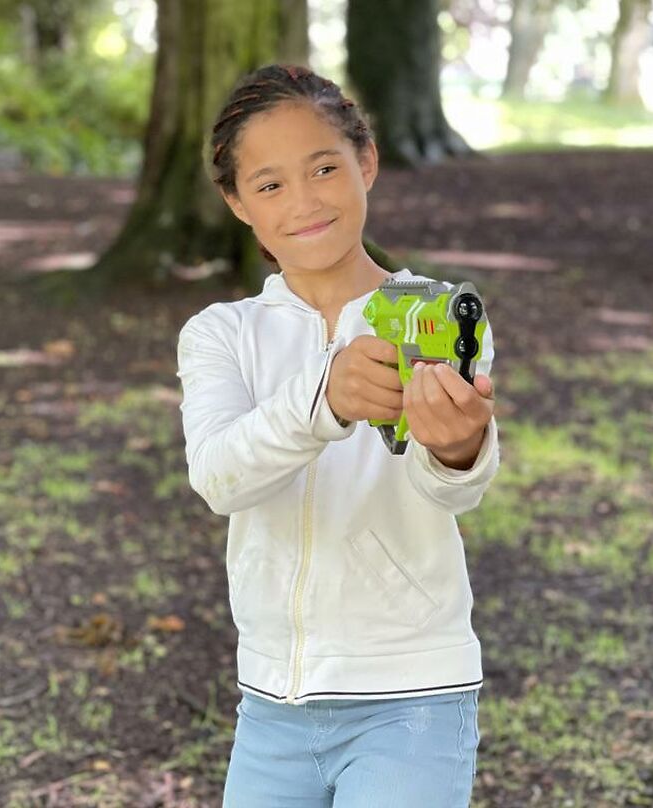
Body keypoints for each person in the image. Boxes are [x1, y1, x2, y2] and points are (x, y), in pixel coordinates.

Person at [175, 63, 499, 808]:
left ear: (367, 161)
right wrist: (324, 399)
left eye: (324, 167)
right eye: (270, 185)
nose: (305, 201)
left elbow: (454, 486)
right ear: (237, 203)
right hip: (270, 707)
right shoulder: (220, 335)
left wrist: (456, 448)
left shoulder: (441, 315)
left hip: (411, 696)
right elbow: (220, 477)